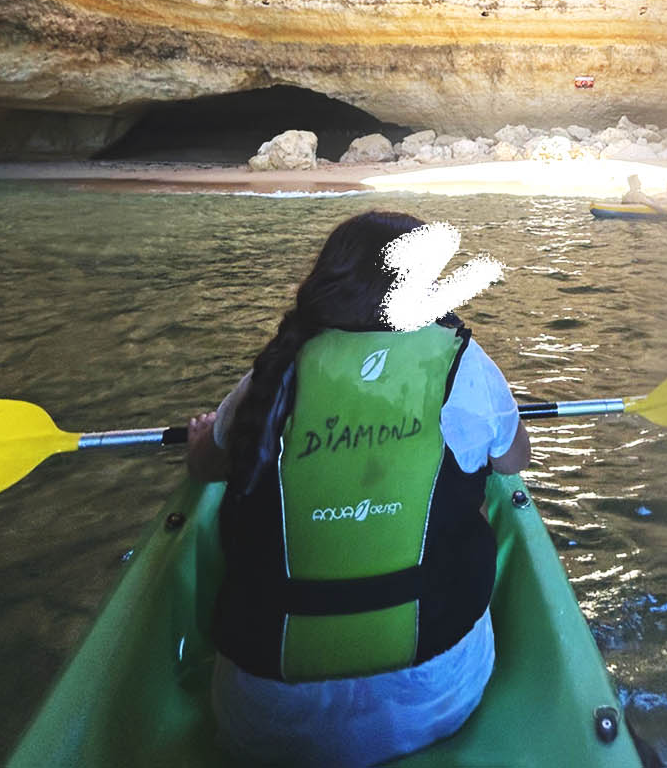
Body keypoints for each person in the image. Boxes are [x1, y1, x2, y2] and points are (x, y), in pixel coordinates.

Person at [186, 210, 531, 768]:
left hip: (265, 715)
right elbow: (514, 460)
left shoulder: (277, 370)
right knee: (479, 501)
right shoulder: (463, 363)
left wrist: (204, 437)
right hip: (435, 702)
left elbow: (205, 469)